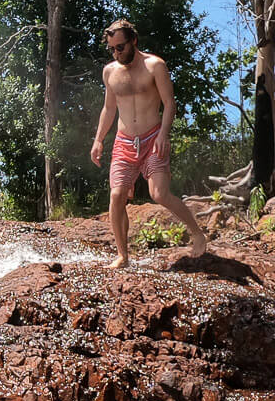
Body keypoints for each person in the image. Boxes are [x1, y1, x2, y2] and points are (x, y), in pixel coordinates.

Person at [89, 18, 208, 268]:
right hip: (124, 142)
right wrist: (98, 140)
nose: (116, 52)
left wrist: (164, 134)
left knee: (159, 194)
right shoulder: (110, 72)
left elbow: (169, 103)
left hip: (153, 137)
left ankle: (197, 233)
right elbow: (109, 108)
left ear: (133, 41)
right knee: (117, 195)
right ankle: (123, 255)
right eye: (112, 48)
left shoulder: (155, 66)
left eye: (120, 47)